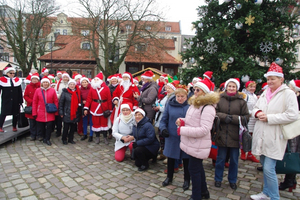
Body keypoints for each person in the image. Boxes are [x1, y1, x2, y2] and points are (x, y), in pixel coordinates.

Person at [250, 63, 299, 200]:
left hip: (275, 134)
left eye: (273, 79)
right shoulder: (266, 92)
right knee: (264, 163)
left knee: (269, 168)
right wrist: (258, 113)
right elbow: (255, 107)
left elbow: (293, 115)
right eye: (268, 79)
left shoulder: (288, 94)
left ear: (281, 79)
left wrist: (269, 118)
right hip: (262, 134)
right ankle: (266, 192)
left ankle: (274, 196)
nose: (270, 81)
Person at [178, 78, 219, 200]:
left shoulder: (208, 107)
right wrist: (182, 121)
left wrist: (183, 130)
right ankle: (204, 191)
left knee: (194, 169)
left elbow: (204, 129)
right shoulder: (195, 103)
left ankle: (196, 196)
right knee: (197, 168)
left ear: (205, 92)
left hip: (199, 143)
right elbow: (192, 121)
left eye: (198, 90)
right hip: (192, 142)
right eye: (194, 89)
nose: (195, 92)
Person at [214, 78, 249, 190]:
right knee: (220, 159)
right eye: (230, 86)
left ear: (237, 88)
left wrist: (233, 119)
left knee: (234, 160)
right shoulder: (219, 99)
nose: (231, 88)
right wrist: (224, 117)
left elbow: (246, 117)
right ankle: (218, 179)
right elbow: (214, 113)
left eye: (233, 86)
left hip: (235, 135)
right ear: (226, 87)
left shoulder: (241, 101)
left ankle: (232, 180)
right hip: (222, 133)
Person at [159, 86, 190, 190]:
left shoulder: (190, 106)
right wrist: (163, 129)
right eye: (178, 96)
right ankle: (169, 177)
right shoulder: (170, 105)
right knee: (171, 158)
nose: (180, 98)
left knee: (186, 159)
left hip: (186, 136)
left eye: (182, 96)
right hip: (172, 135)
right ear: (175, 96)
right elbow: (164, 119)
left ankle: (187, 180)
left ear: (186, 96)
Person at [277, 79, 300, 192]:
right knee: (294, 153)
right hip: (295, 129)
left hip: (295, 130)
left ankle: (289, 180)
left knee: (292, 153)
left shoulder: (295, 98)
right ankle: (292, 180)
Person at [83, 72, 112, 145]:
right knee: (96, 123)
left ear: (100, 80)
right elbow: (89, 98)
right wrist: (86, 108)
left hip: (103, 108)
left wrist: (110, 109)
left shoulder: (106, 88)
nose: (95, 81)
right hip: (94, 107)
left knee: (104, 124)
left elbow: (109, 99)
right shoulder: (92, 88)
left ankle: (105, 137)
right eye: (94, 79)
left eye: (97, 79)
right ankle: (97, 137)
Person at [32, 77, 58, 146]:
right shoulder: (38, 90)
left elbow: (55, 101)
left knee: (49, 126)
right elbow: (34, 102)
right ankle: (43, 137)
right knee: (41, 126)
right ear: (42, 83)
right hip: (40, 111)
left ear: (49, 83)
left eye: (46, 82)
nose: (45, 84)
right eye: (44, 82)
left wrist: (56, 111)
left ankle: (47, 139)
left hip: (50, 111)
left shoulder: (52, 90)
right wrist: (34, 112)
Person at [155, 82, 176, 161]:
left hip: (167, 119)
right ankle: (162, 153)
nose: (167, 90)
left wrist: (159, 108)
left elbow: (168, 108)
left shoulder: (173, 97)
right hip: (161, 117)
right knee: (161, 137)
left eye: (169, 88)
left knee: (166, 137)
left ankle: (168, 155)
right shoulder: (166, 96)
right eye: (166, 88)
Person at [240, 81, 260, 163]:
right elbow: (243, 107)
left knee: (252, 137)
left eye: (254, 87)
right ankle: (243, 153)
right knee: (245, 136)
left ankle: (250, 154)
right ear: (247, 87)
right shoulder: (245, 96)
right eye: (251, 87)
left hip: (254, 119)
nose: (252, 88)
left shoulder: (255, 96)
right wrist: (251, 112)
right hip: (248, 118)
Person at [0, 66, 23, 132]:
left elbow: (20, 91)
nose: (12, 74)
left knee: (15, 113)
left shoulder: (17, 80)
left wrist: (20, 100)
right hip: (6, 99)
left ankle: (14, 126)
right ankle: (0, 126)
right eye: (11, 73)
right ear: (7, 73)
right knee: (3, 113)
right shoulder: (2, 80)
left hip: (16, 100)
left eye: (13, 73)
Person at [59, 79, 81, 145]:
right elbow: (61, 103)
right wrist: (61, 112)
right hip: (67, 112)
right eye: (70, 84)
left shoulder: (77, 92)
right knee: (66, 127)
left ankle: (70, 138)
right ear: (68, 85)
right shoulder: (65, 92)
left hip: (75, 113)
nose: (72, 86)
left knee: (73, 127)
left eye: (73, 84)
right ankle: (64, 138)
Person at [24, 73, 41, 140]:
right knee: (32, 122)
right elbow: (25, 95)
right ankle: (33, 135)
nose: (34, 80)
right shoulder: (28, 87)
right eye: (33, 79)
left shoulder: (40, 86)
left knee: (39, 122)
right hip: (31, 106)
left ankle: (39, 134)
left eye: (36, 79)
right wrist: (31, 101)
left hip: (39, 106)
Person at [55, 72, 70, 137]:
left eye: (66, 77)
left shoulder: (70, 83)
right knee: (59, 117)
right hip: (60, 101)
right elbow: (55, 91)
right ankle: (58, 131)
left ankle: (66, 131)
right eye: (64, 77)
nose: (65, 78)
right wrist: (58, 95)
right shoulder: (58, 83)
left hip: (68, 103)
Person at [79, 77, 93, 142]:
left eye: (85, 82)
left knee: (91, 121)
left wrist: (88, 101)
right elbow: (79, 98)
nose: (84, 83)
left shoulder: (91, 89)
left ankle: (91, 135)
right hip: (83, 107)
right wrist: (82, 102)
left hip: (91, 106)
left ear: (88, 82)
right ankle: (85, 134)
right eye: (83, 82)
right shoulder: (80, 90)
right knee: (84, 121)